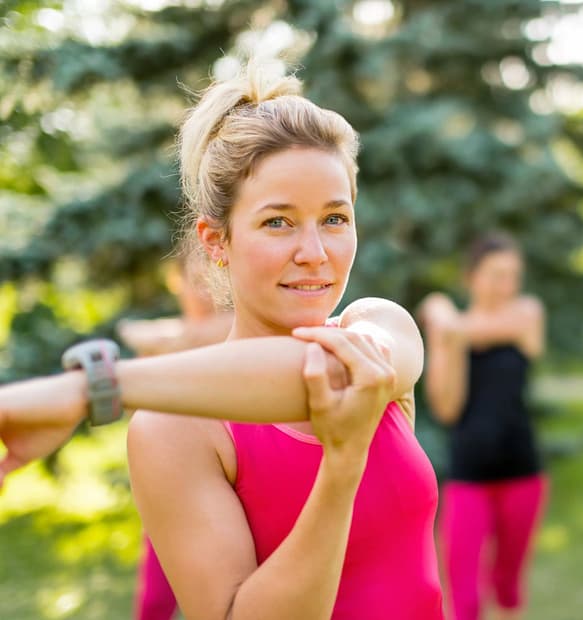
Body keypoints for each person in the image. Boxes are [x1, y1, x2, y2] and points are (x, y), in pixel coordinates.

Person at [0, 62, 444, 620]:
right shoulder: (172, 429)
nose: (315, 252)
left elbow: (322, 372)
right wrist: (341, 463)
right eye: (278, 222)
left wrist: (89, 391)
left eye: (335, 218)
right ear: (216, 240)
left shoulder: (381, 327)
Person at [419, 233, 547, 620]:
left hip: (522, 472)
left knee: (508, 588)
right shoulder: (450, 334)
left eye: (512, 275)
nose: (505, 285)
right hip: (469, 476)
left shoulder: (525, 313)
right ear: (470, 277)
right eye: (495, 275)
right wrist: (449, 341)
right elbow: (447, 409)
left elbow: (470, 326)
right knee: (465, 601)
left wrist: (441, 316)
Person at [118, 253, 232, 620]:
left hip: (228, 486)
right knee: (153, 603)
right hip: (174, 490)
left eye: (209, 280)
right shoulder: (167, 339)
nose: (202, 292)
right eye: (193, 281)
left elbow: (148, 335)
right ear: (176, 282)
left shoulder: (234, 333)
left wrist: (166, 339)